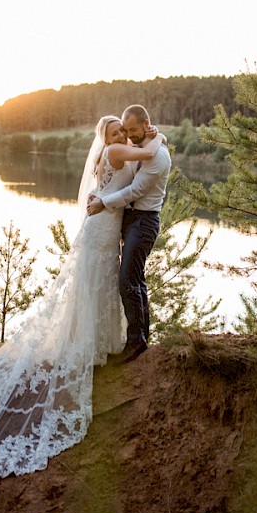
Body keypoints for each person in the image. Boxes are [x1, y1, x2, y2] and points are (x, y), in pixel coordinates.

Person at [0, 115, 166, 478]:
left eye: (123, 130)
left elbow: (141, 159)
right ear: (105, 137)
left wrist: (149, 139)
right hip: (102, 227)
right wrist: (157, 136)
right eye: (114, 131)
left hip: (107, 227)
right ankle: (87, 346)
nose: (121, 135)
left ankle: (95, 343)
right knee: (94, 282)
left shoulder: (119, 149)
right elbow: (150, 151)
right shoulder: (115, 151)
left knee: (98, 284)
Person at [86, 104, 171, 365]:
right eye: (123, 130)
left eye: (131, 130)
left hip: (143, 222)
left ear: (146, 124)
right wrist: (156, 136)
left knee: (127, 281)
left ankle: (137, 340)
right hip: (126, 220)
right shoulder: (138, 148)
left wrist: (103, 201)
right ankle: (139, 337)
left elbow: (134, 190)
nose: (128, 135)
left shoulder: (157, 157)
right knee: (134, 278)